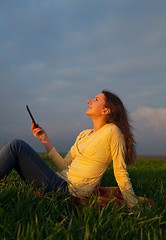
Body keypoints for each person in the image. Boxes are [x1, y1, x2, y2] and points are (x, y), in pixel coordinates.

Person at [0, 90, 138, 209]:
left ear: (106, 110)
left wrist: (134, 207)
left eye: (96, 100)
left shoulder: (112, 131)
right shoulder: (84, 134)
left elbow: (120, 172)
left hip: (68, 191)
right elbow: (63, 166)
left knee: (16, 146)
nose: (89, 101)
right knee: (8, 147)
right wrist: (45, 140)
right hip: (58, 181)